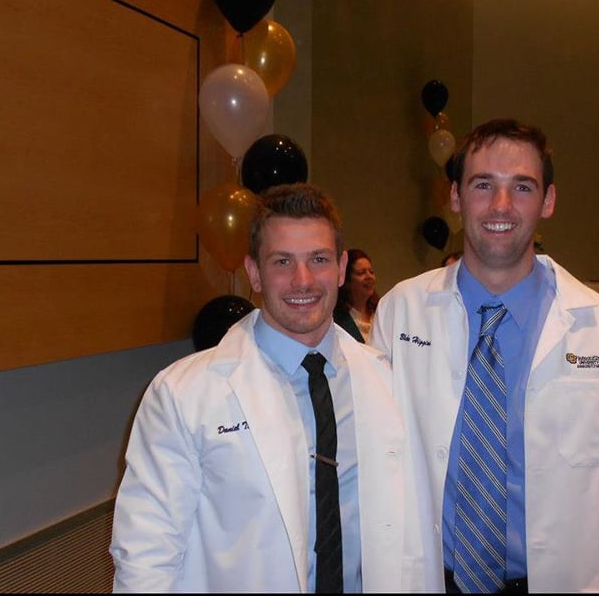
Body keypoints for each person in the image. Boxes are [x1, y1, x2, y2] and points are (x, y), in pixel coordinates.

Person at [370, 118, 599, 593]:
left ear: (548, 201)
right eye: (483, 184)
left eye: (522, 187)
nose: (500, 205)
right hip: (431, 578)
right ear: (454, 197)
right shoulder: (400, 315)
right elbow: (376, 465)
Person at [110, 183, 442, 592]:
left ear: (340, 268)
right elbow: (146, 554)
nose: (302, 281)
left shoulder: (385, 379)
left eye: (318, 259)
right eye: (282, 261)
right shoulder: (182, 394)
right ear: (254, 271)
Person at [333, 248, 379, 343]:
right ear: (347, 280)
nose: (369, 277)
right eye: (361, 273)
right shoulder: (337, 318)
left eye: (371, 272)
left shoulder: (379, 311)